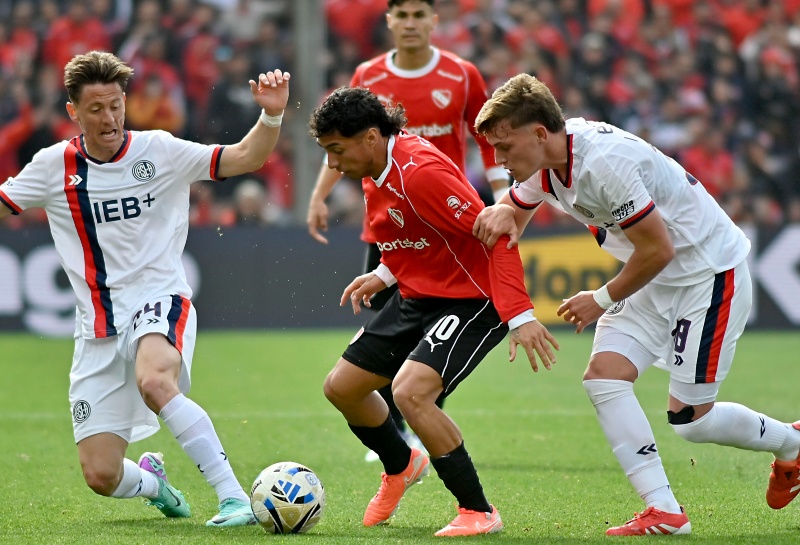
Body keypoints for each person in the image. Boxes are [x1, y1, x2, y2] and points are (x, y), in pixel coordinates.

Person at [471, 73, 800, 536]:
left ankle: (792, 443)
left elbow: (658, 251)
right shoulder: (548, 160)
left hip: (706, 275)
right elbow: (520, 205)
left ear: (539, 133)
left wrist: (599, 300)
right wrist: (506, 208)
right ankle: (664, 510)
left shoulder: (603, 163)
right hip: (654, 278)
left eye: (504, 147)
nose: (499, 159)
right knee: (604, 378)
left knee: (690, 421)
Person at [0, 51, 291, 528]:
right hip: (96, 329)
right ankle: (156, 483)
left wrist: (272, 113)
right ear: (73, 112)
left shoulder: (159, 150)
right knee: (101, 474)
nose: (109, 117)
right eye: (96, 109)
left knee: (156, 380)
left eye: (116, 104)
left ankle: (234, 497)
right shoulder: (53, 166)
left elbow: (246, 157)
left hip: (160, 299)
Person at [309, 86, 559, 536]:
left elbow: (495, 233)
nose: (332, 163)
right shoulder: (372, 167)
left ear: (369, 137)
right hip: (418, 295)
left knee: (411, 393)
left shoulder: (420, 172)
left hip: (472, 299)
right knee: (342, 388)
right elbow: (418, 234)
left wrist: (519, 315)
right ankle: (401, 465)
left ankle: (478, 511)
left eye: (335, 149)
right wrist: (384, 276)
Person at [307, 0, 511, 458]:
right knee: (392, 327)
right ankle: (399, 430)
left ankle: (419, 418)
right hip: (390, 228)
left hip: (444, 218)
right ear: (390, 22)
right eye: (403, 16)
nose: (412, 24)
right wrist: (320, 194)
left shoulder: (462, 74)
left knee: (436, 330)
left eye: (421, 15)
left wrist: (501, 197)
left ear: (433, 21)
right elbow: (340, 140)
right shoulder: (368, 75)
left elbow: (486, 137)